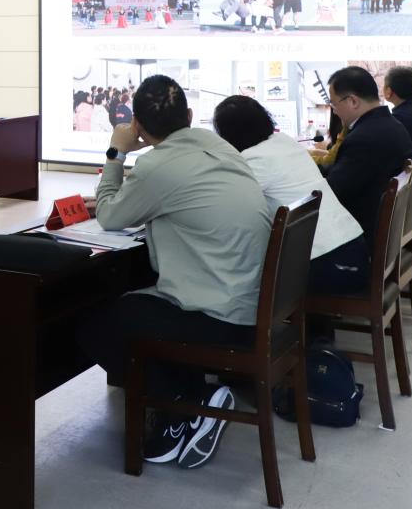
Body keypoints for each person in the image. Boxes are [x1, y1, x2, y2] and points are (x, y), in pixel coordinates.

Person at [76, 75, 271, 470]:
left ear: (138, 126)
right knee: (136, 304)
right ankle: (183, 408)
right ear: (190, 115)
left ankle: (189, 403)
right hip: (255, 303)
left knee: (93, 327)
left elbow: (110, 216)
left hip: (218, 317)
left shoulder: (155, 165)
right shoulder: (220, 146)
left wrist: (116, 152)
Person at [213, 96, 368, 294]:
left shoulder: (252, 160)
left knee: (239, 281)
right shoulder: (283, 141)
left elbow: (225, 206)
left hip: (330, 266)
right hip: (353, 252)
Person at [323, 66, 412, 247]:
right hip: (392, 230)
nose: (334, 111)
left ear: (353, 101)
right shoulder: (394, 125)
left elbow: (332, 194)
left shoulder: (362, 138)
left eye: (334, 104)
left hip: (363, 238)